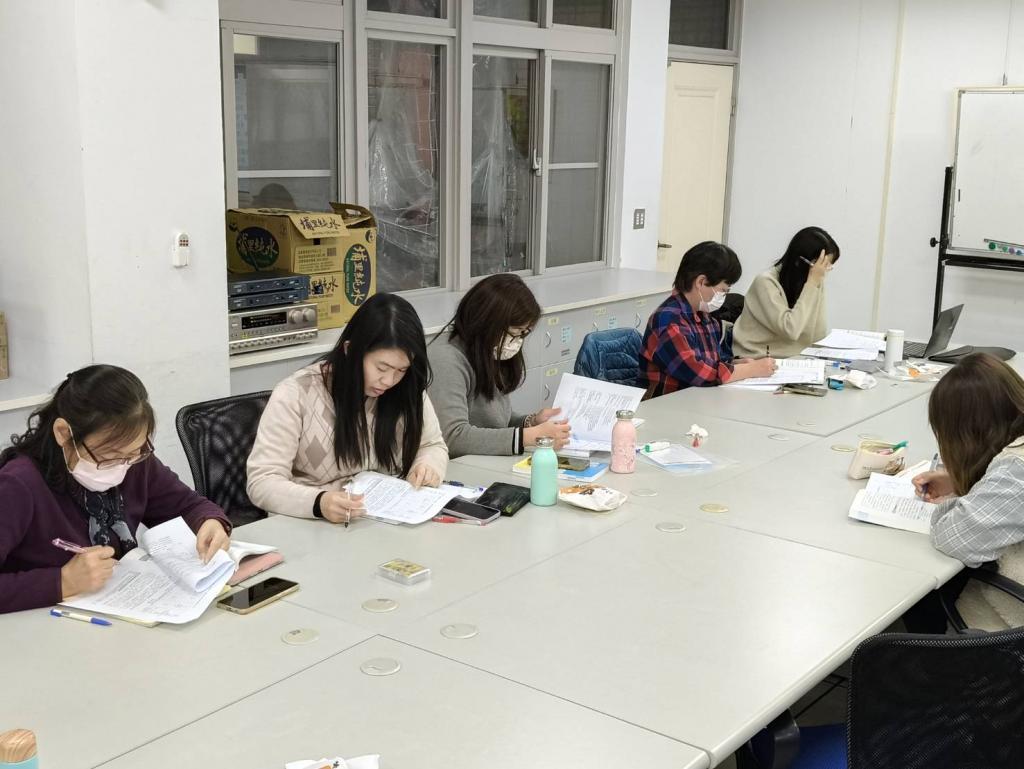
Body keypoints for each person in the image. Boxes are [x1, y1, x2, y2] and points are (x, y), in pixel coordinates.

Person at [0, 365, 232, 615]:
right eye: (107, 457)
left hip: (118, 610)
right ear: (64, 434)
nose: (122, 467)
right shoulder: (18, 485)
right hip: (40, 623)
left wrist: (210, 521)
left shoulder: (134, 462)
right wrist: (62, 581)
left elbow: (188, 505)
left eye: (133, 453)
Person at [247, 293, 448, 523]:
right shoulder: (296, 394)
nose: (389, 381)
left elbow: (432, 445)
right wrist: (319, 502)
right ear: (350, 350)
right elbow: (262, 482)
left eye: (401, 370)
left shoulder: (406, 390)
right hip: (312, 525)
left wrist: (427, 465)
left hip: (382, 519)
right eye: (381, 368)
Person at [912, 353, 1024, 630]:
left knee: (921, 596)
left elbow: (955, 538)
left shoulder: (1017, 470)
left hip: (1009, 625)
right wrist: (963, 481)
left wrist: (964, 495)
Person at [427, 274, 571, 458]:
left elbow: (495, 422)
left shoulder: (487, 352)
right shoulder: (445, 358)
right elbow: (452, 437)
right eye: (514, 332)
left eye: (523, 334)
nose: (517, 342)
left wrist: (531, 422)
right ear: (486, 322)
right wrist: (529, 436)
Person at [639, 241, 777, 397]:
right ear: (701, 282)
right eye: (722, 290)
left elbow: (712, 362)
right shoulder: (668, 321)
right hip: (667, 404)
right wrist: (750, 370)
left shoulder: (704, 316)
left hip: (700, 399)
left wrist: (735, 363)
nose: (723, 297)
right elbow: (699, 374)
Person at [733, 226, 840, 358]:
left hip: (797, 360)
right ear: (799, 261)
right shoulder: (766, 282)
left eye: (827, 266)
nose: (822, 272)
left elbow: (818, 331)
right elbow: (790, 330)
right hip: (758, 358)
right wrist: (812, 284)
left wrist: (821, 358)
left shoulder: (813, 282)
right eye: (820, 265)